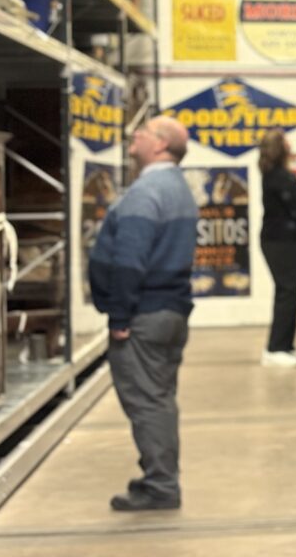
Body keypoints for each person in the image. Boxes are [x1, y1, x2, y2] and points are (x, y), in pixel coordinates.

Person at [89, 115, 198, 512]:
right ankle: (160, 477)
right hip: (169, 311)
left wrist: (119, 316)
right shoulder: (177, 188)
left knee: (149, 402)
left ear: (160, 145)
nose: (134, 133)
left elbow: (129, 259)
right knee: (160, 398)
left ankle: (161, 485)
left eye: (145, 131)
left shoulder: (146, 191)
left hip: (143, 314)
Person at [257, 129, 296, 368]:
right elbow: (295, 206)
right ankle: (274, 348)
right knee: (286, 291)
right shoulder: (276, 175)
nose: (291, 144)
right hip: (279, 240)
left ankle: (287, 344)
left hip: (289, 239)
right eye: (286, 141)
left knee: (292, 290)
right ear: (279, 147)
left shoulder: (280, 173)